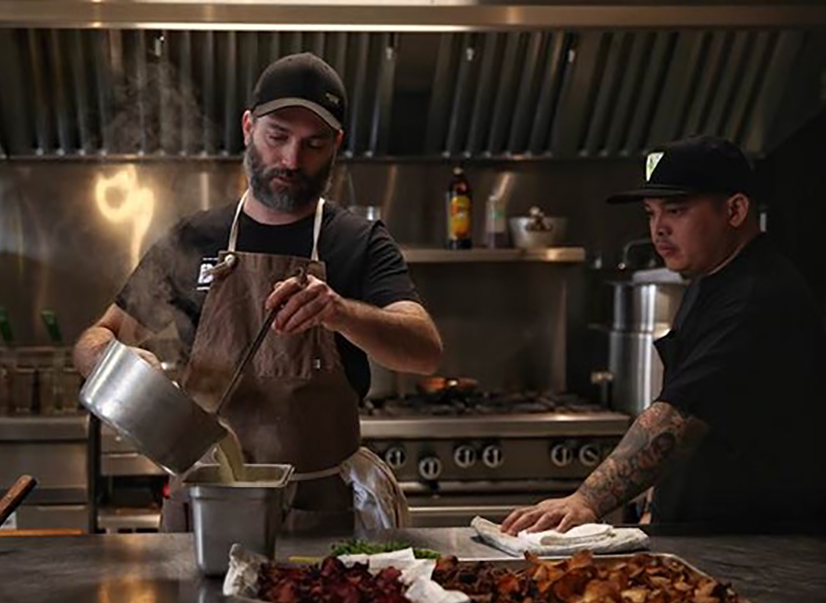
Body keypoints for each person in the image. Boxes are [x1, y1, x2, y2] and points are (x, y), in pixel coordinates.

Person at [74, 53, 442, 532]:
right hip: (205, 511)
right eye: (277, 137)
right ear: (248, 127)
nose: (291, 160)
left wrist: (341, 312)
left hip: (318, 516)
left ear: (337, 145)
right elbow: (93, 339)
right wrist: (116, 362)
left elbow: (425, 350)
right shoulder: (193, 239)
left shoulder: (357, 242)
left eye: (313, 144)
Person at [504, 135, 826, 534]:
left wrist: (586, 500)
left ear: (736, 209)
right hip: (703, 533)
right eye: (650, 213)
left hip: (755, 543)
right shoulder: (711, 279)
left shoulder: (757, 297)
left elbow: (678, 415)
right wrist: (657, 503)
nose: (659, 229)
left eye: (676, 210)